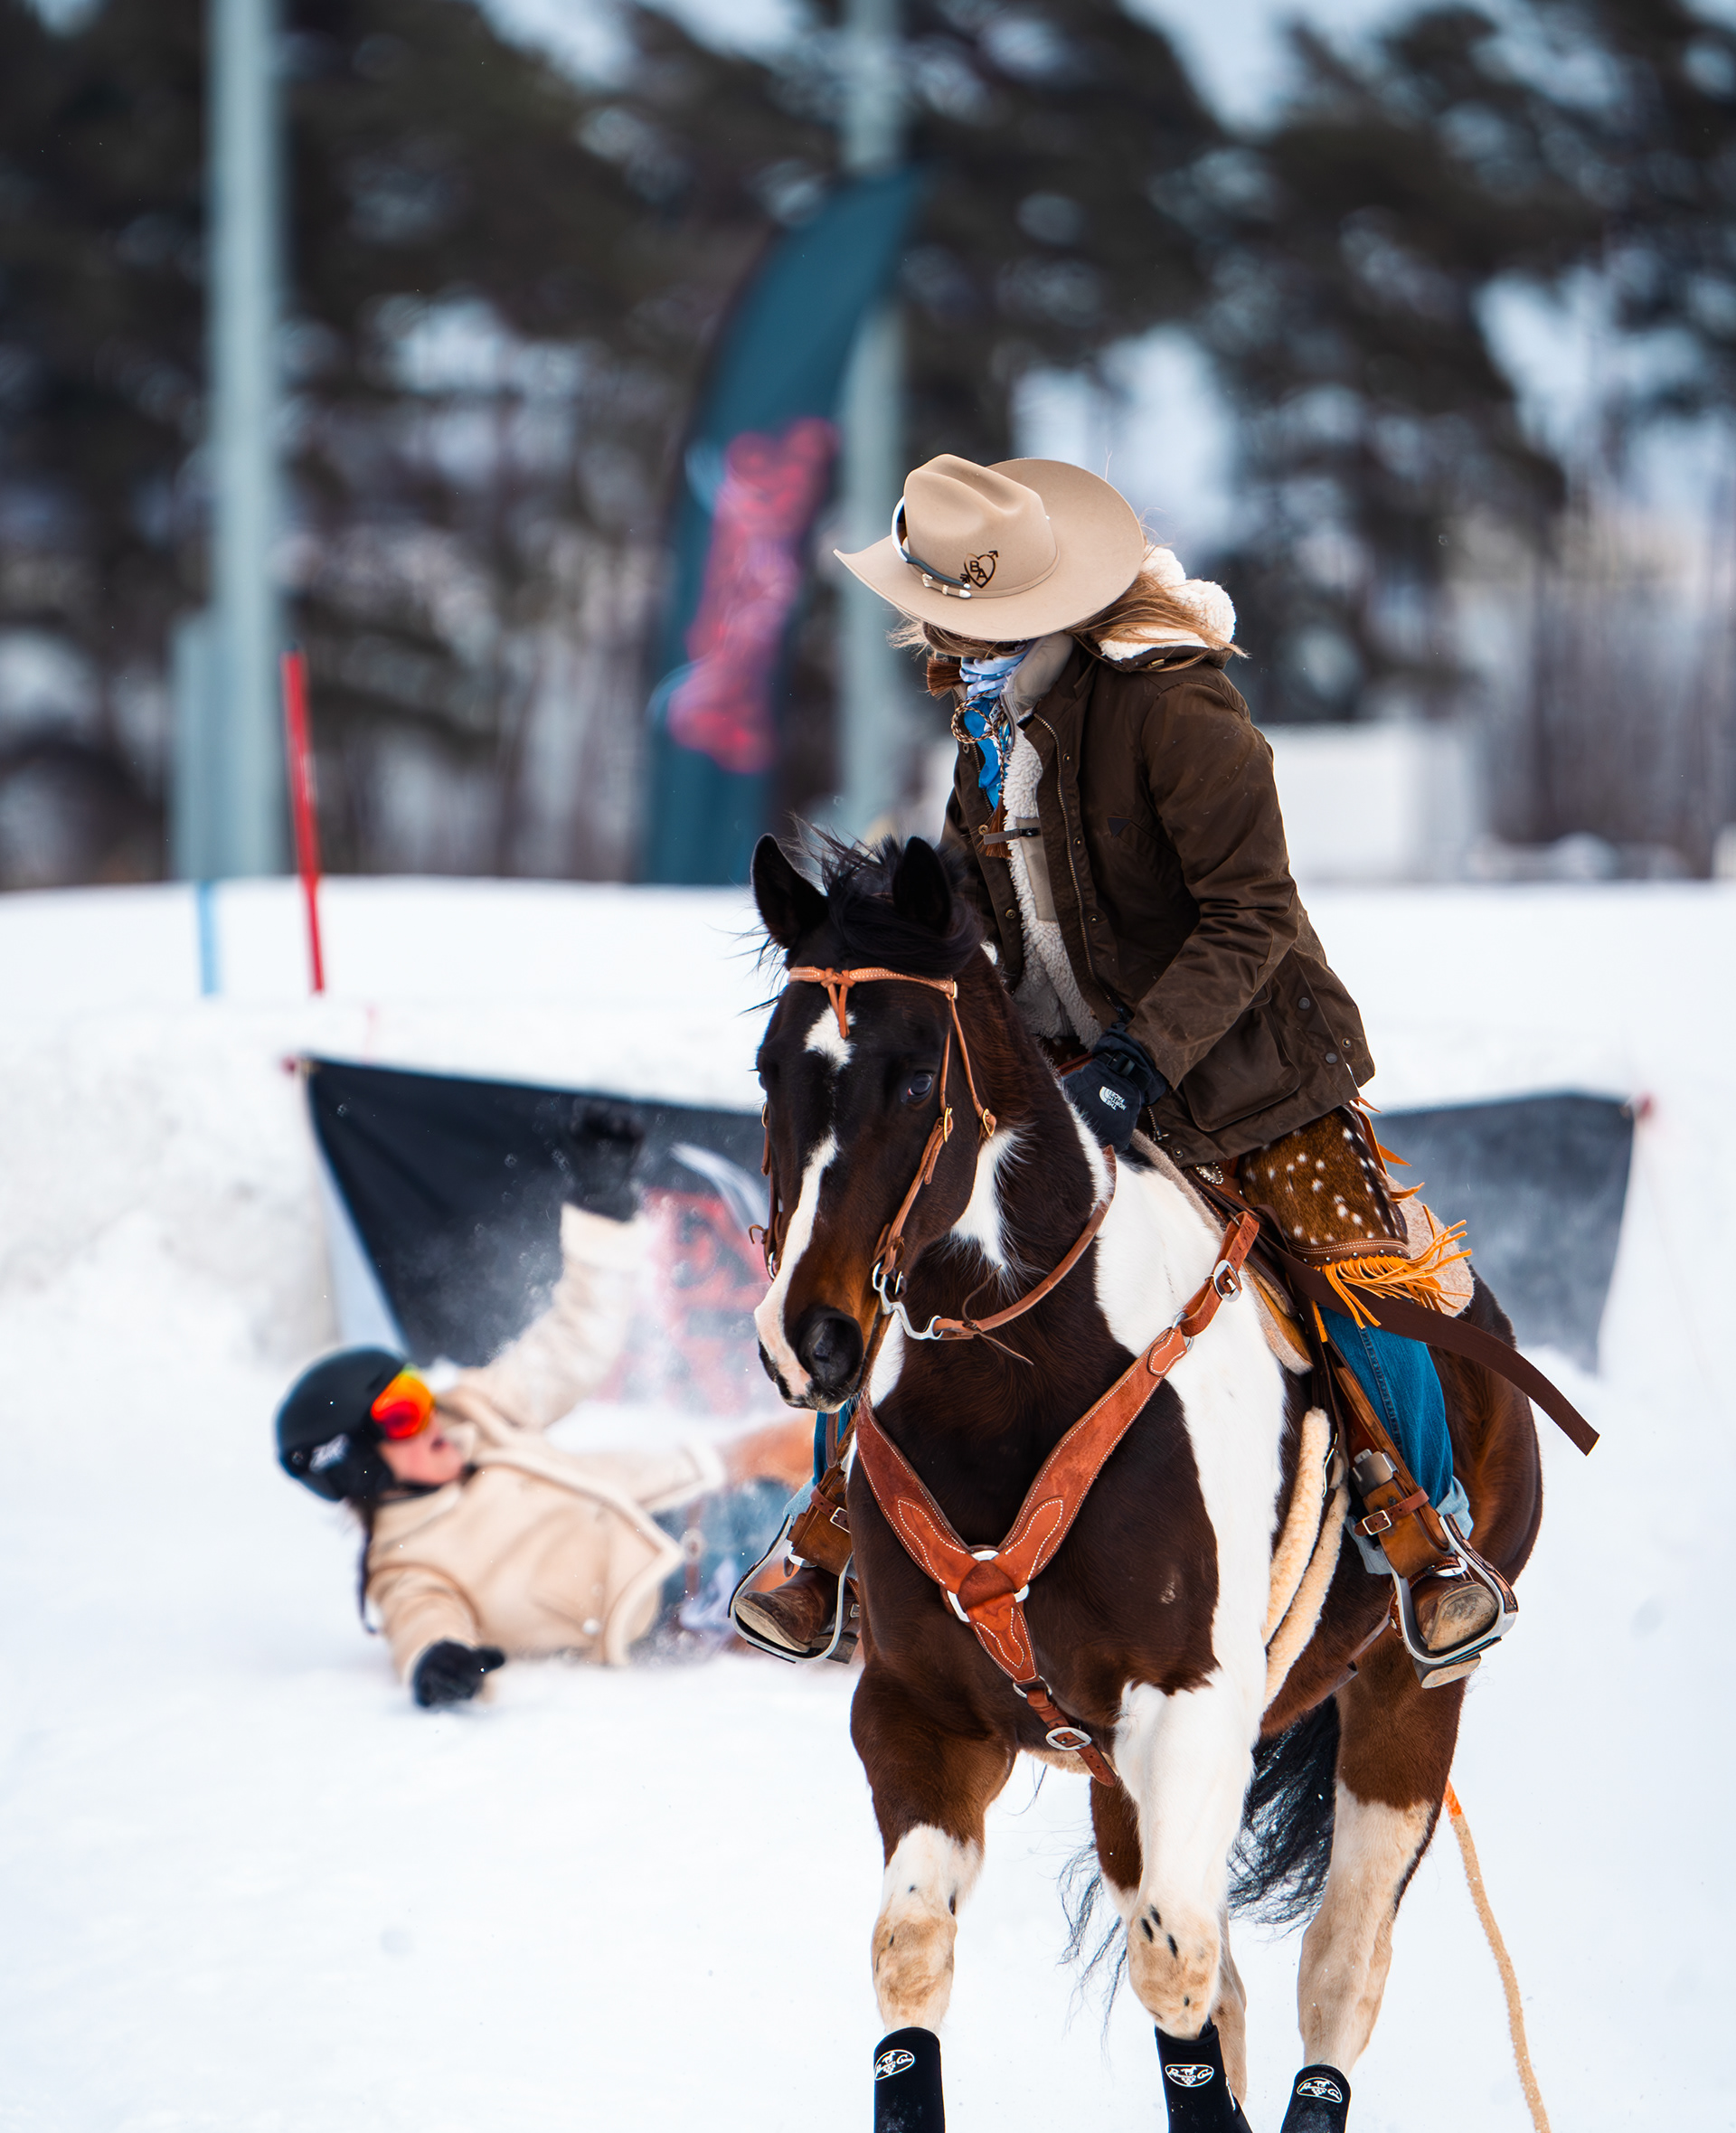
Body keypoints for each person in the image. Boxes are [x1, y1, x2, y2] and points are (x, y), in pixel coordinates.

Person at [735, 451, 1513, 1676]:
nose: (940, 638)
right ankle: (828, 1532)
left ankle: (1427, 1536)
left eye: (961, 617)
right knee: (896, 1232)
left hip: (1250, 1074)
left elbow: (1252, 915)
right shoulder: (984, 732)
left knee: (1353, 1263)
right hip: (1056, 1069)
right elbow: (969, 916)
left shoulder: (1177, 708)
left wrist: (1137, 1063)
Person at [277, 1201, 812, 1705]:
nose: (431, 1419)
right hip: (692, 1586)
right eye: (402, 1416)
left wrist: (602, 1208)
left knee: (827, 1433)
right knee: (841, 1596)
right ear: (363, 1468)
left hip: (702, 1488)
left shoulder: (472, 1411)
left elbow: (571, 1345)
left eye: (419, 1394)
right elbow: (422, 1621)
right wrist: (437, 1660)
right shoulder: (409, 1564)